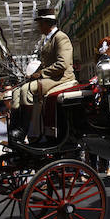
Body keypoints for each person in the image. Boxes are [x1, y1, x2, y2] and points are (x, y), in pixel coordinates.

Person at [11, 7, 75, 142]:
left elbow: (62, 64)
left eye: (40, 23)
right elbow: (45, 63)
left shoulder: (61, 37)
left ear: (46, 23)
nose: (39, 27)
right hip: (51, 77)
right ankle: (14, 126)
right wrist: (33, 74)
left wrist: (41, 74)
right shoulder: (48, 39)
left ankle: (24, 130)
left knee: (26, 90)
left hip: (61, 77)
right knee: (16, 92)